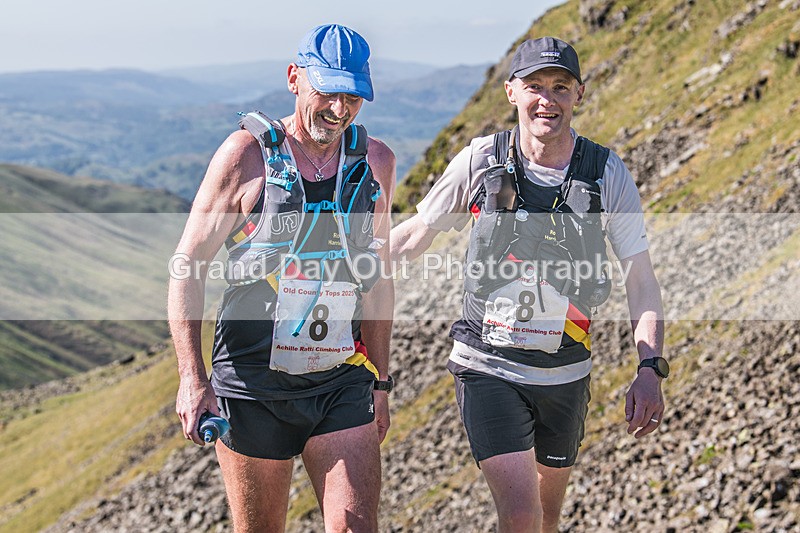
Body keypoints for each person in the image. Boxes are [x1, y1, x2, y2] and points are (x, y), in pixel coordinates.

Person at [391, 37, 666, 532]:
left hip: (565, 373)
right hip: (486, 364)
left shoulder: (606, 173)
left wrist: (650, 367)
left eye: (560, 87)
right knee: (520, 514)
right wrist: (338, 273)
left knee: (546, 518)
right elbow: (414, 235)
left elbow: (640, 279)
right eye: (535, 86)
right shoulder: (480, 160)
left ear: (579, 94)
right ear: (511, 92)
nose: (548, 100)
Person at [168, 24, 395, 532]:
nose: (340, 109)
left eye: (353, 96)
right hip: (252, 386)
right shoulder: (245, 155)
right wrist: (191, 378)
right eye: (328, 92)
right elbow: (188, 265)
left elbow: (378, 279)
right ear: (294, 78)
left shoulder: (376, 162)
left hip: (341, 377)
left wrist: (380, 380)